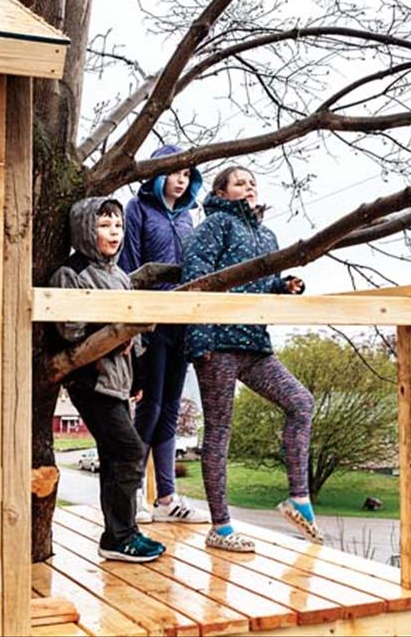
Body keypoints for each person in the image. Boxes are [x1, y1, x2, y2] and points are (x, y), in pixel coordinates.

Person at [181, 165, 324, 552]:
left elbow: (260, 286)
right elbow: (197, 278)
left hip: (255, 345)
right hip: (219, 345)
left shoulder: (267, 234)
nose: (249, 187)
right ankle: (221, 527)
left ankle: (298, 498)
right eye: (240, 182)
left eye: (252, 183)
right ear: (222, 192)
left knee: (301, 402)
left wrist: (282, 287)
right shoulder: (215, 226)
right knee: (220, 430)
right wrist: (200, 340)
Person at [50, 197, 166, 562]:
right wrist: (113, 333)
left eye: (117, 225)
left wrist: (137, 378)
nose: (113, 232)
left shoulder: (120, 276)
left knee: (115, 456)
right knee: (129, 451)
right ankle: (121, 535)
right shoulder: (72, 272)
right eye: (104, 225)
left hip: (119, 380)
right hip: (91, 381)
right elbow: (69, 330)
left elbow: (137, 336)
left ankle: (118, 534)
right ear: (86, 229)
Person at [119, 144, 209, 524]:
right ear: (158, 174)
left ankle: (167, 497)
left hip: (182, 320)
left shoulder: (189, 216)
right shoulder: (137, 210)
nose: (180, 180)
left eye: (187, 175)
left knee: (170, 409)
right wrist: (137, 317)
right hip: (151, 320)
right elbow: (130, 265)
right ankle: (134, 491)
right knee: (150, 406)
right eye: (174, 172)